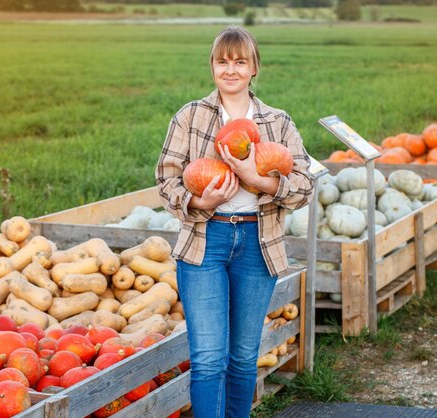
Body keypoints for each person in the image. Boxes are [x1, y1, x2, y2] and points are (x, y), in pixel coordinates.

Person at [155, 26, 313, 418]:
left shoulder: (277, 123)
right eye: (222, 61)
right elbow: (165, 180)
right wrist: (198, 199)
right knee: (209, 358)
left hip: (258, 243)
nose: (231, 70)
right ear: (212, 66)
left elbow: (305, 184)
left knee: (243, 357)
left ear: (254, 68)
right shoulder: (190, 117)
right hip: (205, 241)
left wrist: (260, 181)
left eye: (240, 62)